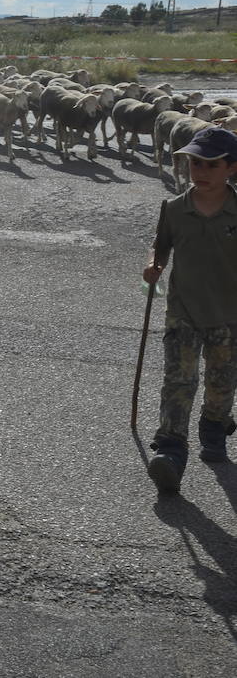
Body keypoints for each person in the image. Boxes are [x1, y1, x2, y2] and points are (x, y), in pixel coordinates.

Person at [142, 126, 237, 492]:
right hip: (182, 312)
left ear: (231, 168)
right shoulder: (174, 208)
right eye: (195, 162)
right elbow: (160, 245)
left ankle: (214, 428)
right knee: (179, 381)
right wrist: (154, 265)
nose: (200, 171)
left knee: (221, 381)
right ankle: (170, 451)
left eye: (210, 164)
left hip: (229, 315)